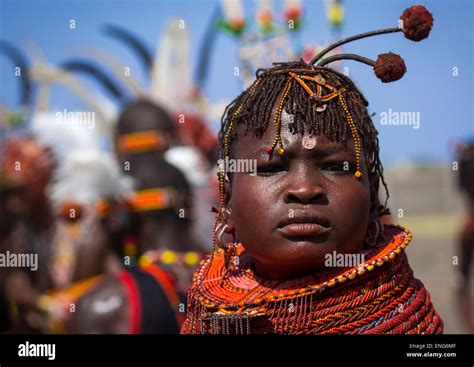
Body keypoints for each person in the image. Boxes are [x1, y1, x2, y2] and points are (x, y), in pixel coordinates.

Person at [182, 5, 443, 334]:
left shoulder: (410, 323)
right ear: (227, 202)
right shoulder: (206, 314)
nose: (304, 189)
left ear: (373, 195)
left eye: (335, 166)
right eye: (271, 167)